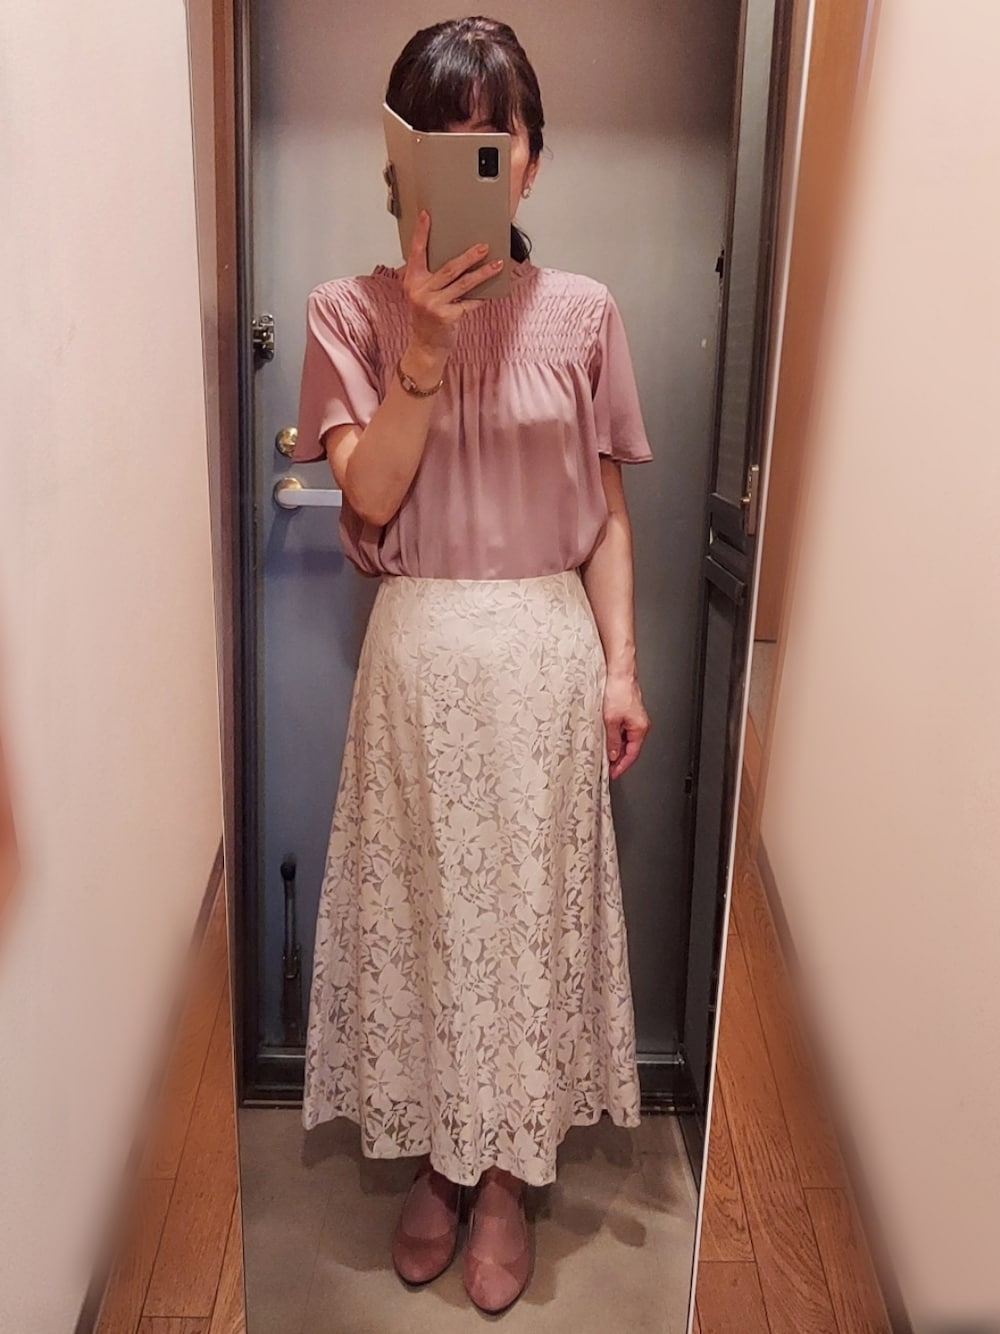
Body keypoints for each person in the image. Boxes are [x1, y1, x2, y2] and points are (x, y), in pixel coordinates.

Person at [292, 15, 653, 1315]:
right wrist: (426, 353)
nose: (467, 168)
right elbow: (371, 500)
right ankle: (439, 1164)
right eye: (435, 147)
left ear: (531, 162)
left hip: (547, 661)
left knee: (526, 924)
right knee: (427, 919)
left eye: (490, 146)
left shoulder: (585, 314)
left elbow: (606, 516)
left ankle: (503, 1175)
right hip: (419, 664)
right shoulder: (348, 314)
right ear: (400, 166)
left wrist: (621, 666)